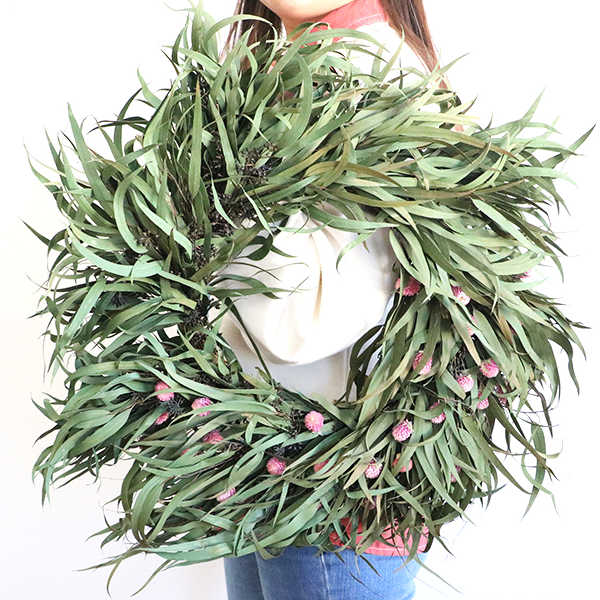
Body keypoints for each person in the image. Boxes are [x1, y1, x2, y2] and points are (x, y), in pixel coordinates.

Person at [215, 1, 449, 598]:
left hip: (331, 489)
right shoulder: (279, 60)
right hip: (267, 466)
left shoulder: (361, 67)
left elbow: (306, 318)